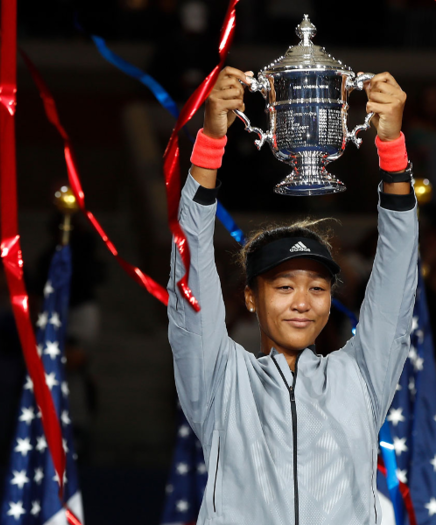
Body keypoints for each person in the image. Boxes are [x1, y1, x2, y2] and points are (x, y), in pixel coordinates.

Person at [168, 67, 415, 524]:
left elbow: (396, 283)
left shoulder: (360, 377)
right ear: (250, 298)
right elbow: (190, 276)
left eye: (317, 288)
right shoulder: (221, 380)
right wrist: (209, 144)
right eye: (283, 287)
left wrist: (393, 152)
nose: (302, 301)